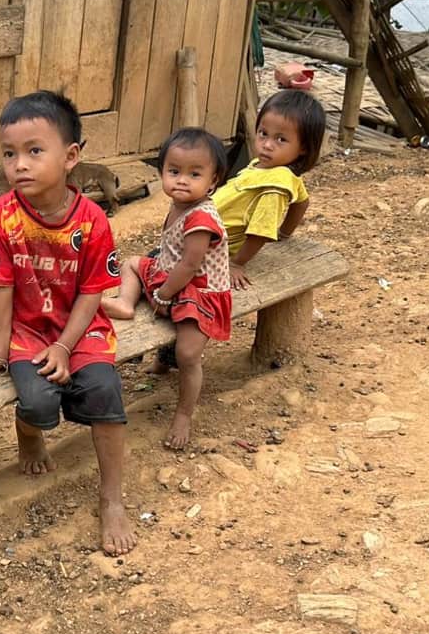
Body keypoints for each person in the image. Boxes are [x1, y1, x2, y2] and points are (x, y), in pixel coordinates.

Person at [0, 90, 136, 556]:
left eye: (34, 151)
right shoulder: (0, 217)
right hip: (27, 333)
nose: (18, 164)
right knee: (38, 403)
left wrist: (64, 346)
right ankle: (29, 437)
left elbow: (92, 292)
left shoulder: (92, 221)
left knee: (104, 392)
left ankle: (112, 498)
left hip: (82, 330)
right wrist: (0, 353)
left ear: (70, 156)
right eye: (9, 153)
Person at [102, 127, 232, 450]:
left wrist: (162, 295)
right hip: (170, 275)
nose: (182, 180)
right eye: (174, 171)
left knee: (188, 354)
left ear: (213, 182)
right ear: (161, 172)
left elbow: (189, 265)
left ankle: (184, 414)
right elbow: (172, 257)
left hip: (199, 290)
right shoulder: (179, 204)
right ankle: (125, 303)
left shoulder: (201, 218)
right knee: (133, 262)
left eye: (194, 174)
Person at [215, 89, 326, 289]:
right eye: (263, 133)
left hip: (211, 247)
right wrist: (284, 233)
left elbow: (260, 232)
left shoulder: (276, 187)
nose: (267, 145)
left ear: (304, 147)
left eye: (281, 139)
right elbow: (302, 202)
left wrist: (237, 263)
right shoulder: (275, 170)